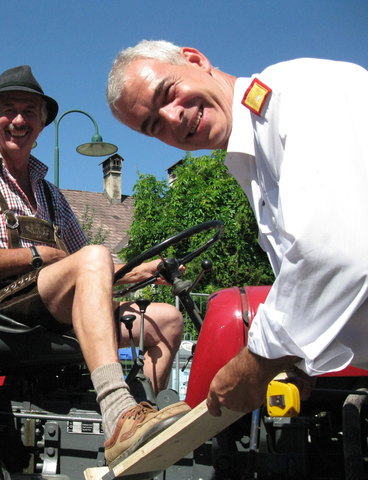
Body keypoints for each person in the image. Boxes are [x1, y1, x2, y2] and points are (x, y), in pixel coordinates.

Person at [0, 64, 190, 466]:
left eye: (30, 111)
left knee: (167, 319)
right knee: (91, 257)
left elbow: (97, 266)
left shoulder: (50, 193)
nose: (19, 119)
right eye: (9, 109)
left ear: (42, 123)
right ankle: (117, 409)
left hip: (54, 305)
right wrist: (39, 255)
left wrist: (150, 268)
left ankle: (143, 423)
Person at [106, 40, 368, 416]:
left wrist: (257, 361)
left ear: (195, 60)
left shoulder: (298, 94)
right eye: (154, 125)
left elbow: (335, 253)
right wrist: (301, 359)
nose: (173, 118)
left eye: (168, 92)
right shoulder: (252, 157)